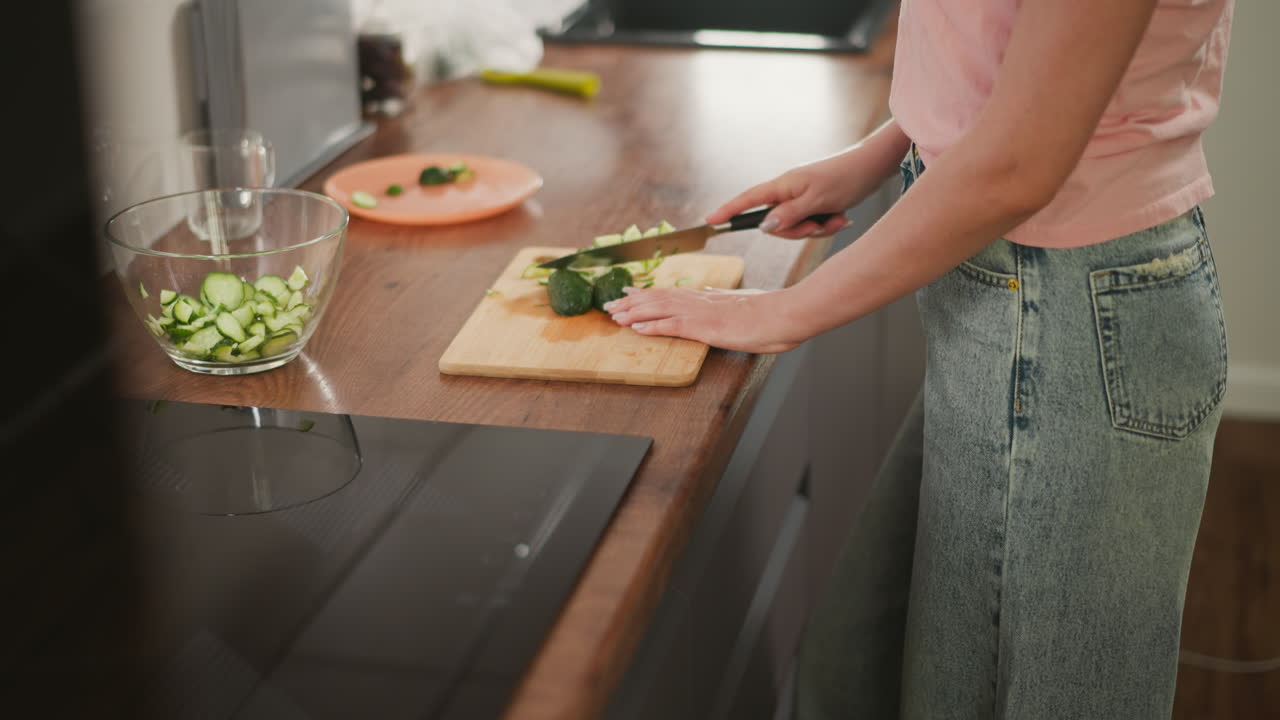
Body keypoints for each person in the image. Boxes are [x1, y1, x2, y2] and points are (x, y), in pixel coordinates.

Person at [603, 0, 1235, 717]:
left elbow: (1020, 165)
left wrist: (782, 311)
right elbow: (1007, 55)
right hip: (1015, 300)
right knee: (856, 666)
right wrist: (879, 153)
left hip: (1068, 322)